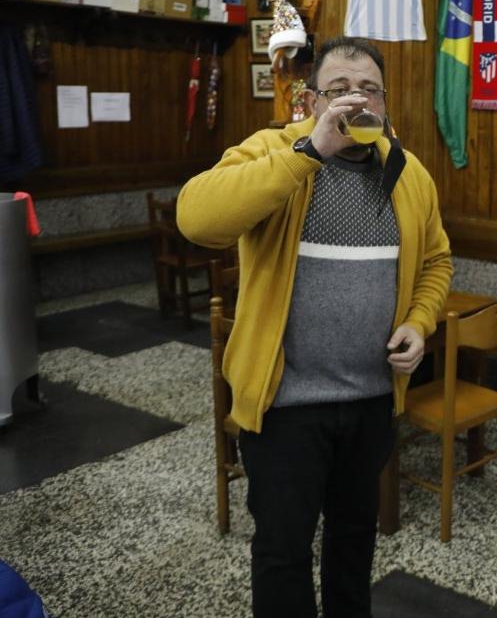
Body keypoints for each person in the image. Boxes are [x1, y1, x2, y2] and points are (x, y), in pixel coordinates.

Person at [178, 36, 452, 618]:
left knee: (353, 544)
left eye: (369, 89)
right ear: (311, 99)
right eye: (339, 89)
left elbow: (436, 262)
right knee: (283, 552)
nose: (356, 100)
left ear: (385, 101)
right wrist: (312, 151)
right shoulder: (275, 150)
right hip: (284, 405)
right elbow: (197, 218)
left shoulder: (408, 173)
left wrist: (418, 322)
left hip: (371, 400)